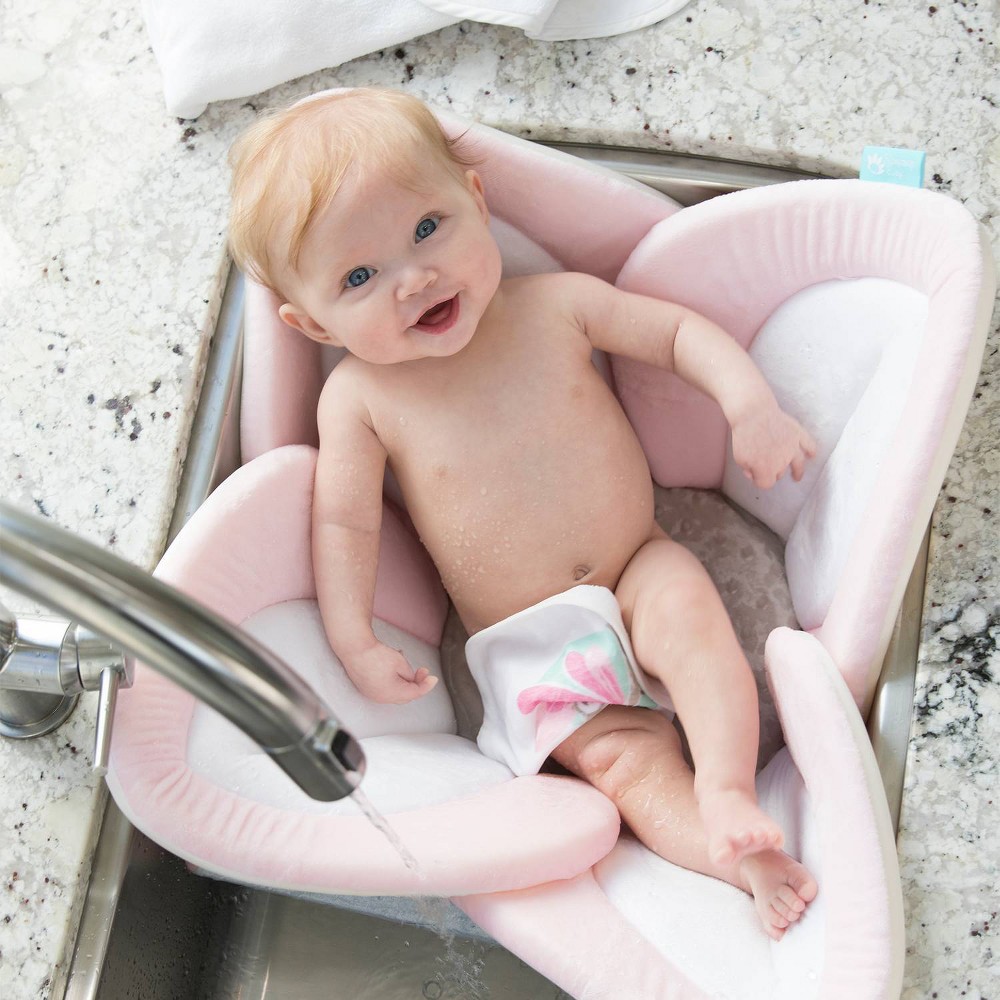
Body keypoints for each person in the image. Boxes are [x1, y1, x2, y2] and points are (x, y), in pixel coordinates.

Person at [228, 88, 818, 939]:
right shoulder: (358, 398)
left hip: (636, 561)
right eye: (360, 278)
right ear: (310, 323)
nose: (414, 277)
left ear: (476, 198)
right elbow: (345, 524)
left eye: (427, 229)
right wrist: (355, 638)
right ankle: (729, 855)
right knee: (624, 765)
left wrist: (749, 406)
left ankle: (727, 788)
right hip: (531, 640)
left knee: (694, 627)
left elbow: (680, 336)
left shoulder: (556, 304)